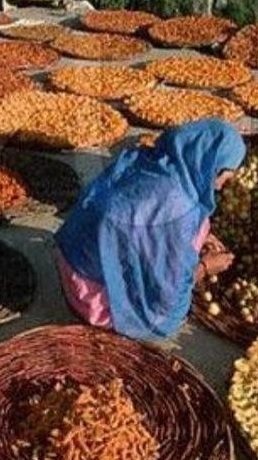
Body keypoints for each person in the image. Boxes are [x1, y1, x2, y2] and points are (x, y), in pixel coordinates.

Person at [53, 120, 246, 340]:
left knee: (195, 227)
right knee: (169, 315)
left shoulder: (147, 159)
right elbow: (168, 292)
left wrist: (199, 236)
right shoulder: (180, 207)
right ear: (213, 167)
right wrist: (204, 267)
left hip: (71, 260)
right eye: (225, 177)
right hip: (91, 296)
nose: (220, 186)